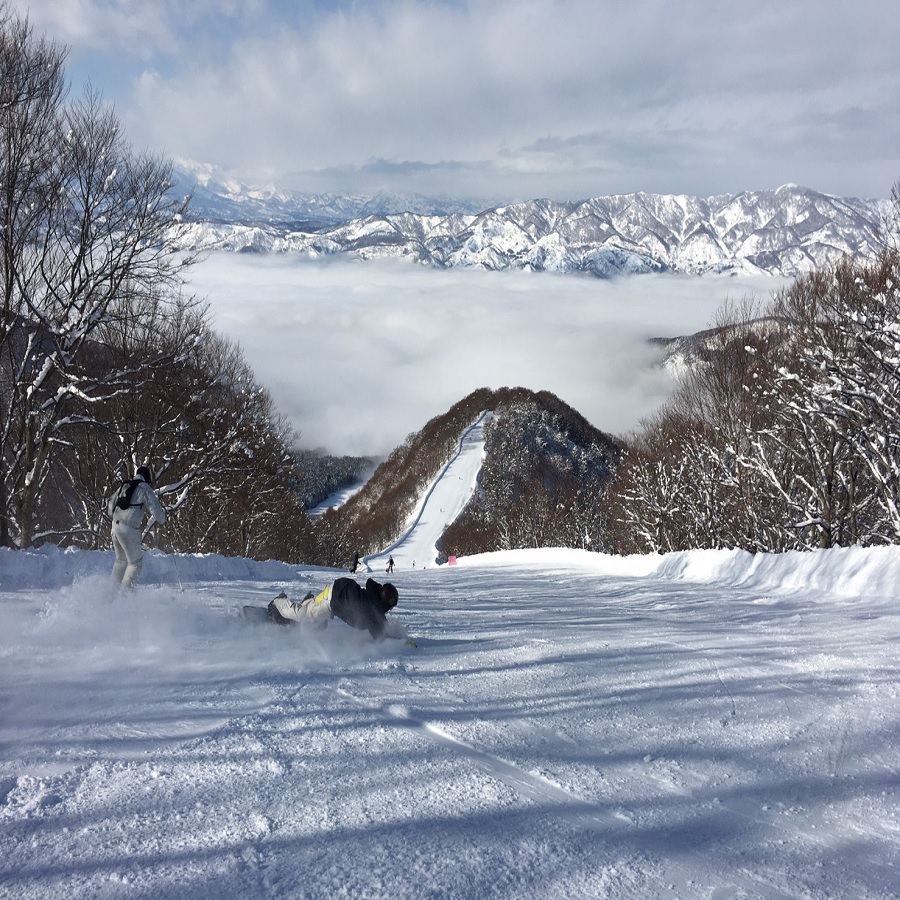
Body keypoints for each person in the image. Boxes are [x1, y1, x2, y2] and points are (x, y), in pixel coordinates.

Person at [268, 576, 399, 641]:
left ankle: (308, 601)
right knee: (304, 616)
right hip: (333, 598)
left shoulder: (373, 601)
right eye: (391, 602)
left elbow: (380, 626)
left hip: (339, 591)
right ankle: (277, 603)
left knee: (318, 625)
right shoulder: (373, 611)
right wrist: (399, 641)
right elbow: (381, 635)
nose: (390, 607)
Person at [107, 465, 167, 593]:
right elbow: (157, 512)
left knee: (121, 561)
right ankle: (124, 598)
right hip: (128, 530)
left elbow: (110, 507)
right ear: (147, 478)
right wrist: (163, 518)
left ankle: (110, 594)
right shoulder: (145, 488)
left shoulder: (124, 486)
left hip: (114, 527)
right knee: (135, 564)